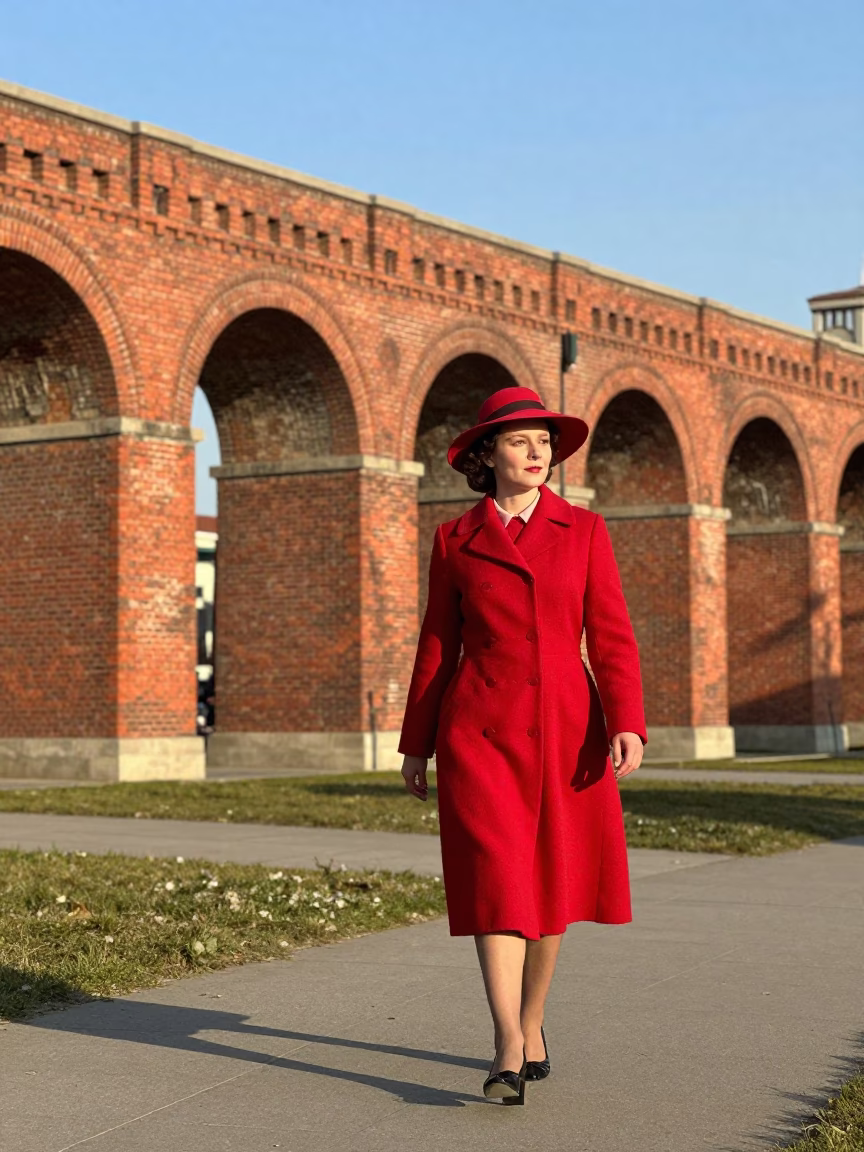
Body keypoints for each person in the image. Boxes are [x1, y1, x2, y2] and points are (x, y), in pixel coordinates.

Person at [398, 385, 647, 1105]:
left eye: (545, 440)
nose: (537, 451)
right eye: (519, 440)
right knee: (498, 879)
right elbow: (437, 645)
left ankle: (532, 1021)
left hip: (569, 730)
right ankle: (507, 1041)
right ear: (486, 454)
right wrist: (417, 742)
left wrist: (625, 720)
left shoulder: (586, 530)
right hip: (479, 731)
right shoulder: (455, 539)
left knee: (554, 883)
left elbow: (612, 635)